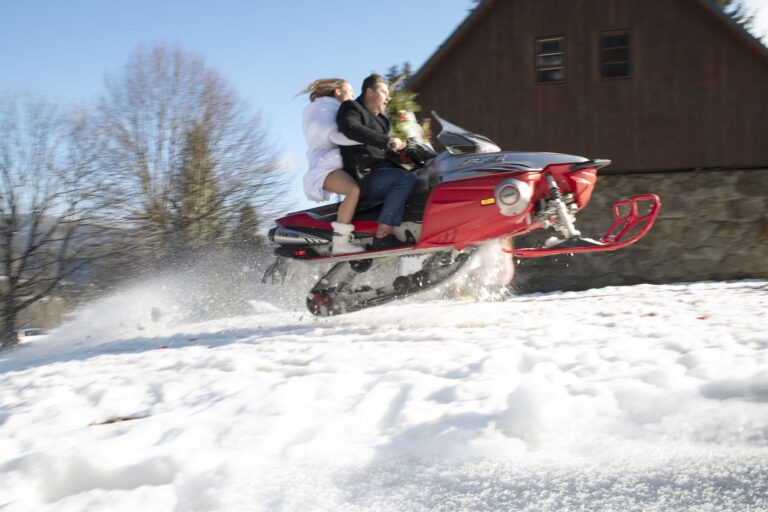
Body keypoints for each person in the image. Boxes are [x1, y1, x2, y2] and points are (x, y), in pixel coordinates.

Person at [337, 74, 416, 249]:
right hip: (365, 174)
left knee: (418, 176)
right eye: (384, 92)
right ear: (369, 91)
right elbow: (352, 128)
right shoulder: (351, 108)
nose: (388, 98)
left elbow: (385, 151)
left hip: (382, 170)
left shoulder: (383, 120)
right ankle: (382, 234)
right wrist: (386, 141)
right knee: (404, 179)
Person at [300, 78, 364, 255]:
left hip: (333, 162)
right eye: (349, 90)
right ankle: (341, 242)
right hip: (325, 167)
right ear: (337, 91)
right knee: (353, 190)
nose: (352, 94)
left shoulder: (327, 109)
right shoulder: (323, 110)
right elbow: (333, 136)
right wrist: (366, 140)